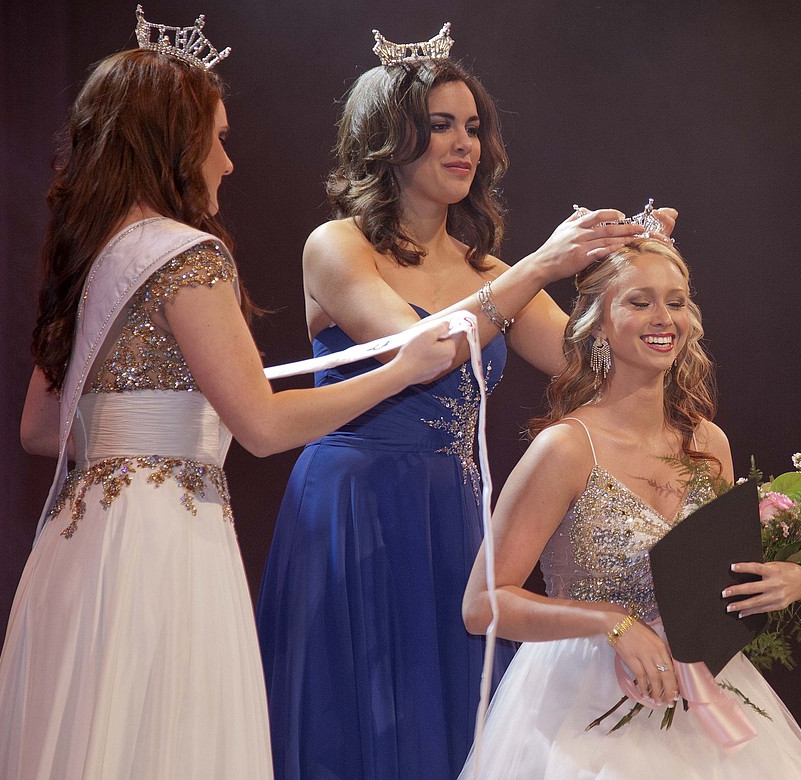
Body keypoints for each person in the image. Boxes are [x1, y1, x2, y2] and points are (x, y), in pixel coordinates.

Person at [0, 10, 463, 778]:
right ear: (174, 144)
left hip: (79, 543)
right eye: (217, 138)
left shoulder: (95, 253)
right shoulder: (188, 257)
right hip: (164, 545)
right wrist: (400, 371)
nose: (228, 163)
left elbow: (42, 430)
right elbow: (265, 425)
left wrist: (139, 429)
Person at [253, 25, 668, 780]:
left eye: (472, 128)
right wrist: (541, 265)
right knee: (362, 714)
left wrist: (640, 276)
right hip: (354, 508)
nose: (463, 144)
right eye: (440, 126)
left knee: (457, 719)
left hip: (456, 513)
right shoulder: (337, 246)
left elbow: (595, 363)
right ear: (390, 138)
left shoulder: (487, 268)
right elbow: (430, 350)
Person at [459, 238, 801, 778]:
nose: (664, 318)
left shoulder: (709, 444)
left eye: (676, 302)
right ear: (597, 322)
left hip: (701, 694)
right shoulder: (565, 448)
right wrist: (611, 623)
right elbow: (482, 605)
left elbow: (714, 593)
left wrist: (786, 578)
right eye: (639, 302)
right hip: (579, 707)